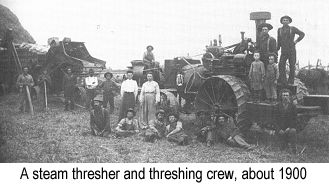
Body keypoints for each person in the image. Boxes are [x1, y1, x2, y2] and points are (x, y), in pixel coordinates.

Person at [277, 15, 305, 85]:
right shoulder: (279, 30)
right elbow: (279, 40)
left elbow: (302, 34)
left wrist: (296, 41)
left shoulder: (292, 29)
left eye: (287, 20)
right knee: (281, 64)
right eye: (284, 20)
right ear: (282, 22)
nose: (285, 21)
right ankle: (283, 81)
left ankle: (290, 81)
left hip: (292, 50)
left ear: (289, 21)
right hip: (283, 51)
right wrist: (276, 49)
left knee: (292, 65)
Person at [274, 89, 298, 153]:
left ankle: (293, 149)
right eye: (283, 95)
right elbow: (275, 120)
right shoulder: (277, 106)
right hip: (280, 129)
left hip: (289, 127)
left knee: (293, 131)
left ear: (289, 96)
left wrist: (289, 127)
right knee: (282, 148)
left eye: (287, 95)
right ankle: (284, 145)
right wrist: (279, 129)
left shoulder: (293, 106)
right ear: (281, 96)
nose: (285, 97)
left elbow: (295, 119)